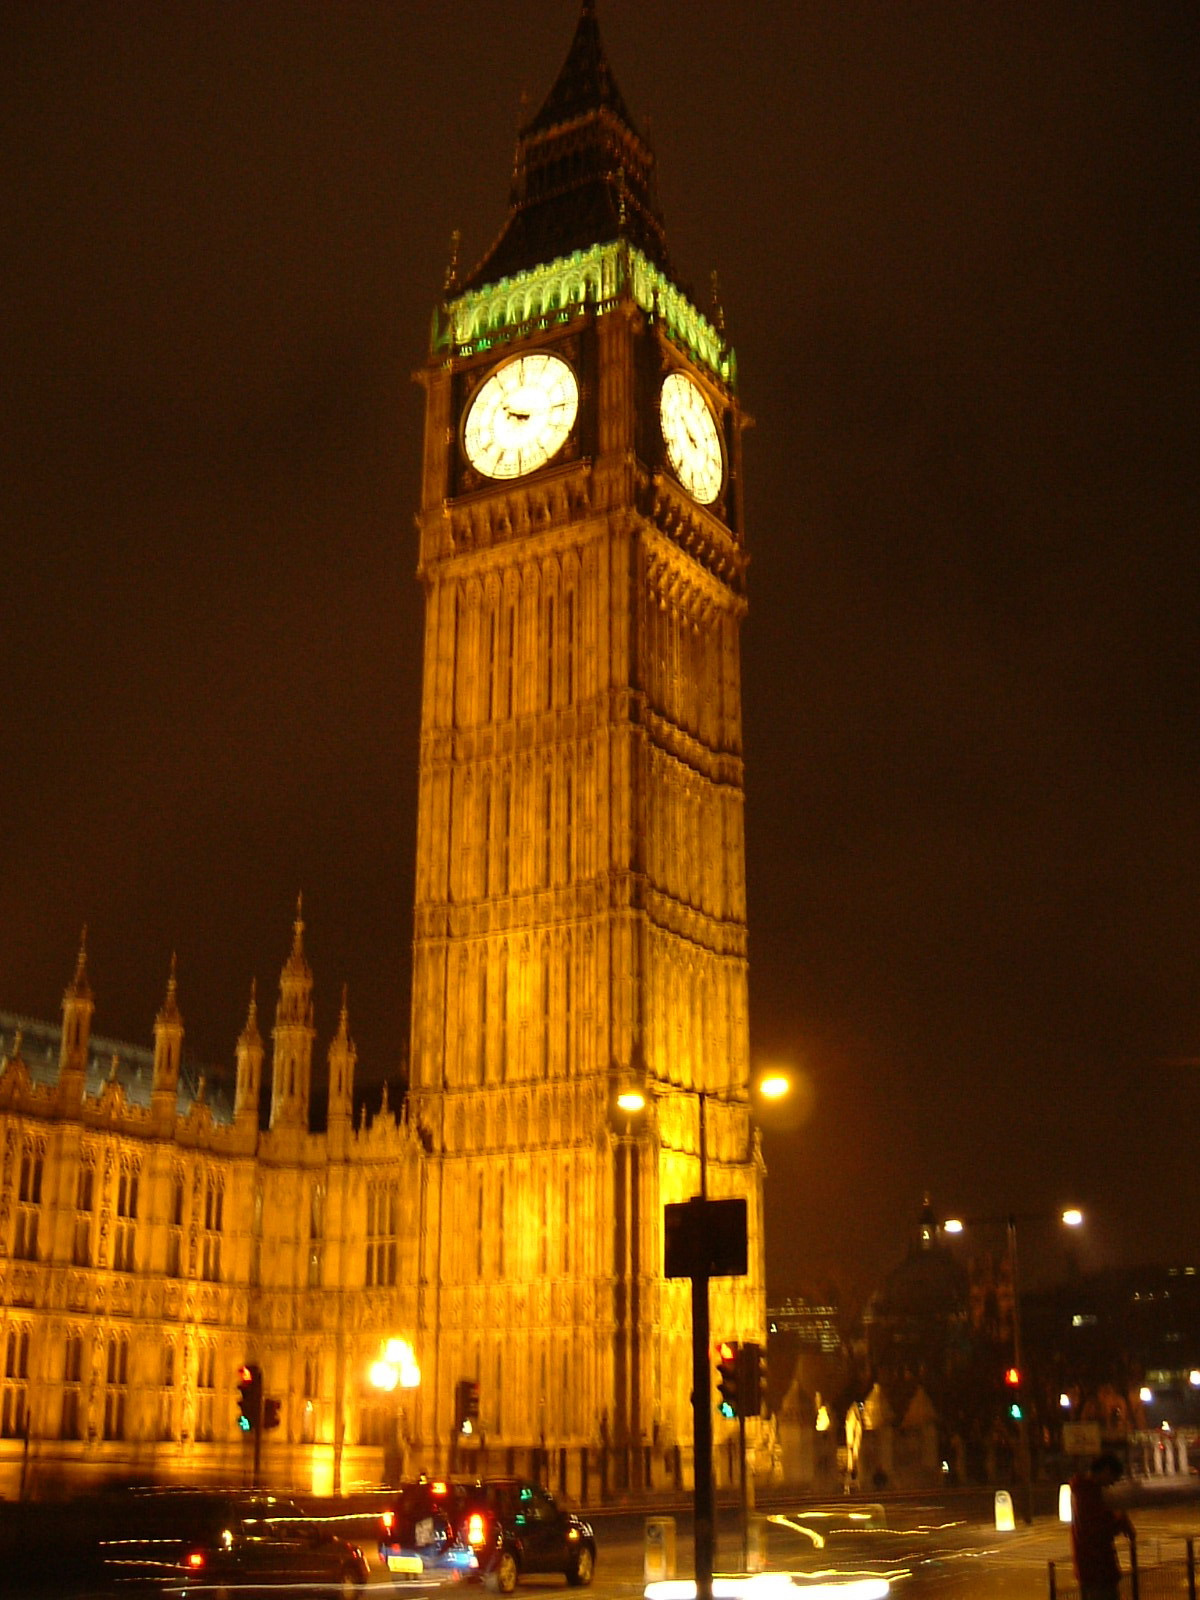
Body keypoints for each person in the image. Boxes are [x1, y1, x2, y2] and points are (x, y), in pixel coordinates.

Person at [1070, 1452, 1135, 1600]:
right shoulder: (1086, 1493)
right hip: (1096, 1569)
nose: (1112, 1484)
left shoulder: (1086, 1491)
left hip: (1094, 1568)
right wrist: (1120, 1521)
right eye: (1113, 1478)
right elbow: (1096, 1528)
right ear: (1105, 1470)